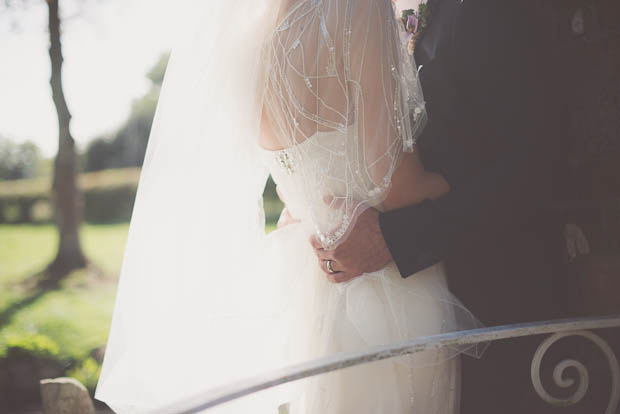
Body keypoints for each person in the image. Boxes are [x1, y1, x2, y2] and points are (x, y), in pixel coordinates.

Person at [95, 0, 485, 412]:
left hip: (303, 283)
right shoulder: (358, 8)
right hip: (386, 289)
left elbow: (292, 179)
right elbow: (395, 186)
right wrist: (467, 180)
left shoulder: (243, 39)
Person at [311, 0, 567, 413]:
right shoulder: (383, 16)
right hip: (405, 316)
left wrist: (393, 238)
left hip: (498, 312)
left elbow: (534, 168)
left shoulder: (487, 13)